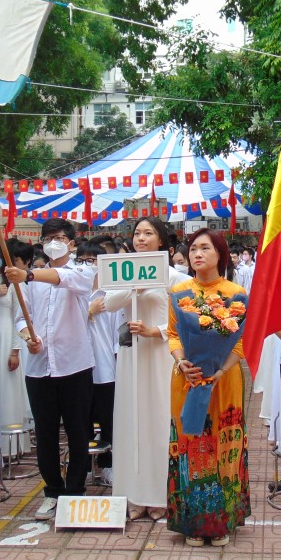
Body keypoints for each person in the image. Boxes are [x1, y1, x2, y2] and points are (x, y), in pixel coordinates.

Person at [6, 219, 94, 521]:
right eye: (47, 238)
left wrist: (29, 273)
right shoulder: (27, 283)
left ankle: (75, 490)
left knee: (77, 431)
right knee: (45, 434)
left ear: (71, 243)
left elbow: (65, 280)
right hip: (39, 369)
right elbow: (21, 317)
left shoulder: (83, 271)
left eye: (58, 238)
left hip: (75, 365)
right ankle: (53, 490)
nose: (52, 243)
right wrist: (27, 336)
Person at [167, 228, 249, 546]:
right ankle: (194, 522)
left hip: (223, 381)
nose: (197, 254)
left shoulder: (235, 293)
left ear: (220, 254)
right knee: (192, 445)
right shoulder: (179, 292)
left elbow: (241, 340)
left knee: (222, 444)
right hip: (187, 379)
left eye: (205, 248)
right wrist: (181, 361)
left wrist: (220, 370)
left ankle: (221, 522)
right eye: (193, 249)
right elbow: (174, 333)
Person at [103, 218, 186, 520]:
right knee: (130, 420)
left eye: (148, 233)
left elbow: (185, 320)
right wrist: (133, 288)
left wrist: (156, 330)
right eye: (137, 233)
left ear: (162, 241)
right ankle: (133, 495)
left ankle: (161, 495)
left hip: (161, 355)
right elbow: (109, 303)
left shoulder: (175, 277)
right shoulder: (121, 273)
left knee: (159, 419)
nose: (141, 238)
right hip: (131, 358)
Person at [82, 243, 123, 484]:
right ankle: (85, 465)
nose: (88, 266)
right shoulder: (74, 293)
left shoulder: (111, 296)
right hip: (78, 368)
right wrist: (88, 311)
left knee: (108, 419)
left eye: (92, 260)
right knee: (81, 418)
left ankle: (107, 464)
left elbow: (117, 334)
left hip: (105, 368)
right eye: (83, 260)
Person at [0, 239, 31, 455]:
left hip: (10, 338)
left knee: (9, 392)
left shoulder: (15, 283)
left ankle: (12, 446)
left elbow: (20, 318)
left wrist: (16, 350)